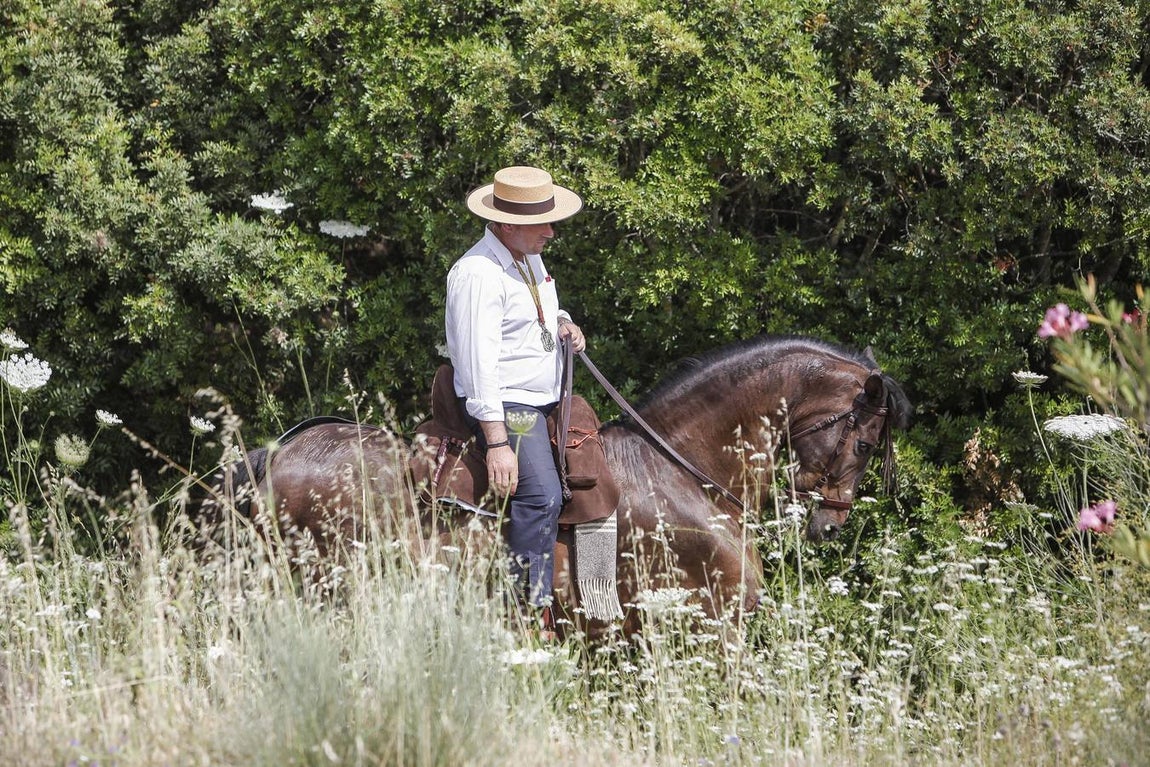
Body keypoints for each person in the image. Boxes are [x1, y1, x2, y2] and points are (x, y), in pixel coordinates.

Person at [445, 165, 586, 621]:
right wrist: (498, 443)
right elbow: (477, 364)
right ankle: (526, 612)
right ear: (506, 224)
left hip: (543, 397)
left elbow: (538, 308)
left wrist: (563, 322)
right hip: (507, 406)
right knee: (540, 494)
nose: (550, 231)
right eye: (540, 222)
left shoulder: (527, 257)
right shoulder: (477, 274)